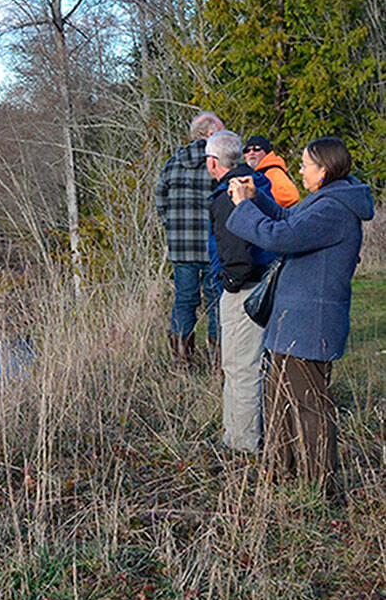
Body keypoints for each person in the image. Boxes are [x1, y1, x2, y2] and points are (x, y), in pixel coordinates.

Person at [227, 136, 375, 486]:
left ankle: (319, 486)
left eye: (306, 164)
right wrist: (256, 197)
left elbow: (281, 237)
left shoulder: (333, 210)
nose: (299, 169)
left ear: (323, 170)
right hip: (293, 322)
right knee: (279, 401)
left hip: (309, 325)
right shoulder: (325, 201)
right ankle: (280, 473)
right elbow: (288, 218)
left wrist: (243, 208)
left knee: (309, 408)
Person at [205, 131, 275, 453]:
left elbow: (236, 252)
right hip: (260, 286)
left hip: (244, 291)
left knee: (241, 369)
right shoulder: (256, 186)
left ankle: (244, 444)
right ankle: (233, 437)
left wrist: (230, 284)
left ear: (212, 162)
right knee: (242, 367)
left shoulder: (227, 196)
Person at [155, 111, 224, 366]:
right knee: (216, 300)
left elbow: (159, 200)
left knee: (184, 300)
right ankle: (219, 361)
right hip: (212, 246)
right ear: (211, 134)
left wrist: (172, 227)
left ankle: (182, 361)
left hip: (181, 247)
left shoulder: (172, 163)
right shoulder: (217, 163)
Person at [242, 135, 300, 207]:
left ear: (266, 152)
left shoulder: (273, 172)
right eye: (247, 150)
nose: (251, 153)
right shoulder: (252, 172)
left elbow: (291, 196)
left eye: (256, 149)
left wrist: (265, 204)